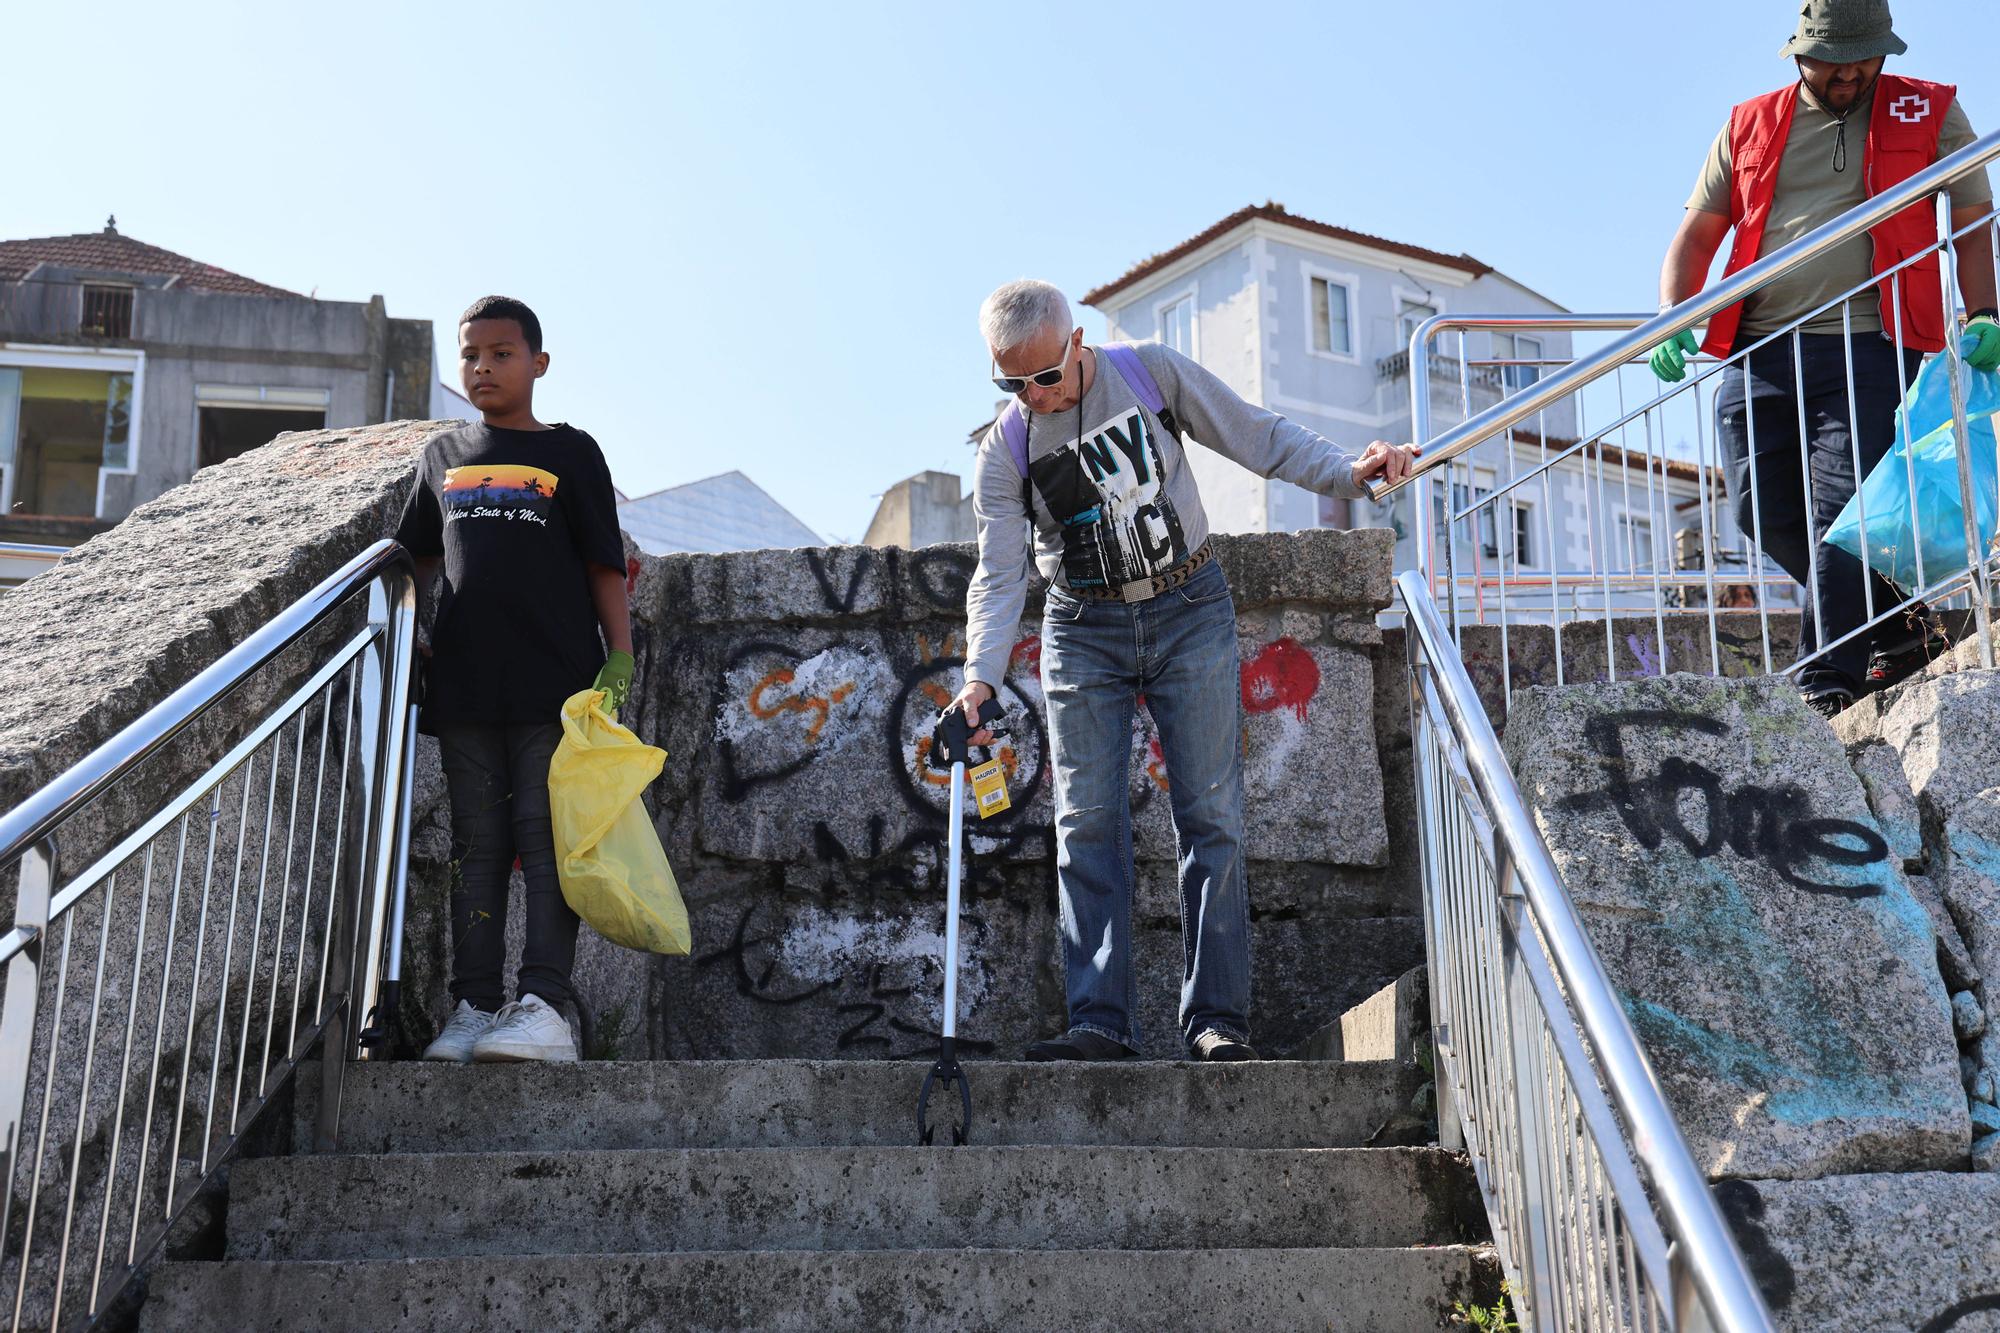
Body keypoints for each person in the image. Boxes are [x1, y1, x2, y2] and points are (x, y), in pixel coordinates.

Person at [949, 279, 1418, 1062]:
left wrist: (1350, 472)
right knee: (1085, 823)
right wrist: (978, 678)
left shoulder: (1149, 374)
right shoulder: (1007, 449)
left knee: (1212, 818)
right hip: (1082, 625)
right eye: (1013, 384)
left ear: (1077, 343)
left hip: (1188, 606)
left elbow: (1255, 435)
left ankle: (1216, 1022)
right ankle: (1098, 1021)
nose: (1035, 395)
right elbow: (998, 575)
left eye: (1046, 376)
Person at [1649, 0, 1998, 718]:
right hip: (1761, 347)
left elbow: (1969, 218)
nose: (1848, 73)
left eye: (1863, 58)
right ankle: (1898, 624)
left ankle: (1824, 680)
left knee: (1844, 513)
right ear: (1797, 51)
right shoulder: (1749, 122)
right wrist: (1672, 316)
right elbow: (1697, 234)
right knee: (1760, 510)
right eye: (1832, 59)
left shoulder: (1929, 112)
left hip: (1873, 339)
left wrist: (1988, 310)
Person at [395, 296, 635, 1063]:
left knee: (548, 841)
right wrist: (415, 634)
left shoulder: (572, 452)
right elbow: (418, 561)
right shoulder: (443, 455)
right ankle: (472, 1006)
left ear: (538, 362)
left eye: (502, 353)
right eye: (470, 355)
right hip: (464, 688)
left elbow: (605, 562)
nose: (484, 367)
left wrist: (619, 656)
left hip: (555, 685)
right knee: (478, 846)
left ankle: (546, 1008)